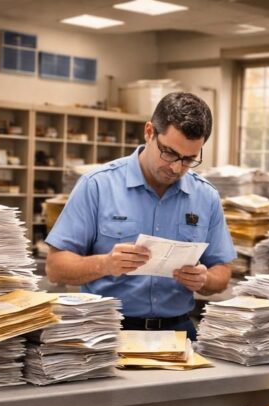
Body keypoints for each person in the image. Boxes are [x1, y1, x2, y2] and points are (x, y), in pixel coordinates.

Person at [45, 92, 236, 340]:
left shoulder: (205, 196)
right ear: (149, 132)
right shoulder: (97, 185)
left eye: (189, 159)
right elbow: (55, 267)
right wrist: (105, 264)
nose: (176, 167)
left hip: (178, 333)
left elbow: (222, 273)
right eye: (168, 152)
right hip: (107, 331)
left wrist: (205, 279)